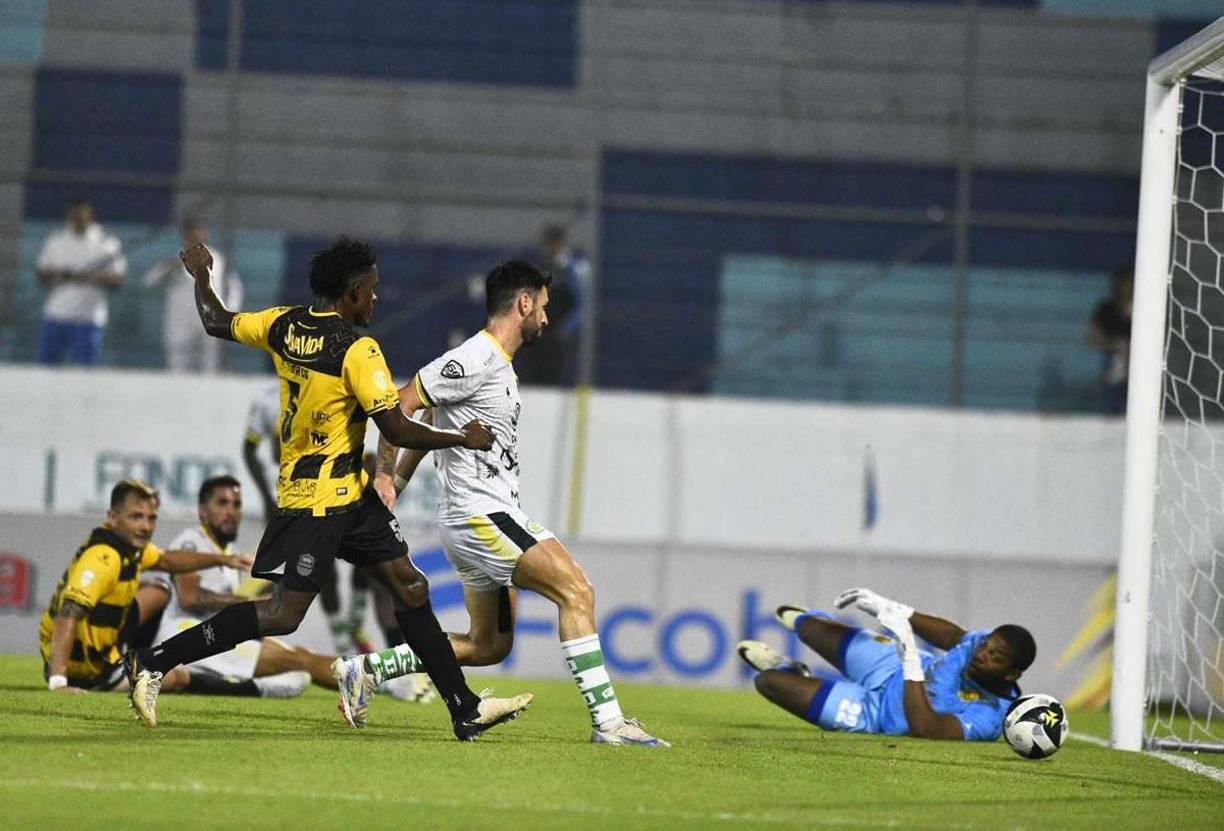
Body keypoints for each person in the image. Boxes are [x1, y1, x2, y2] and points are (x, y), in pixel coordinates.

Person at [123, 236, 531, 740]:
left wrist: (203, 277)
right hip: (317, 503)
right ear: (353, 292)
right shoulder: (358, 351)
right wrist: (461, 437)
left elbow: (215, 320)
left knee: (410, 586)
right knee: (282, 614)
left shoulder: (283, 324)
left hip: (350, 496)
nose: (375, 298)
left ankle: (464, 709)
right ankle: (153, 661)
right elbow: (397, 428)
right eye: (372, 290)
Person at [353, 260, 669, 747]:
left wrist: (399, 480)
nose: (546, 317)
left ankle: (367, 669)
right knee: (577, 591)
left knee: (488, 645)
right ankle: (609, 724)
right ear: (523, 303)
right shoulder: (476, 356)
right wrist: (383, 478)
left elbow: (429, 420)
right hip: (482, 516)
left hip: (474, 519)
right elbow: (401, 404)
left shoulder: (498, 365)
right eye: (542, 306)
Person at [138, 474, 376, 699]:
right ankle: (378, 680)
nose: (231, 512)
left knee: (298, 671)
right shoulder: (192, 542)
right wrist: (247, 604)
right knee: (299, 661)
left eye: (236, 504)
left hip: (217, 636)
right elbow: (190, 598)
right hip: (186, 634)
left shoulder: (230, 552)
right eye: (222, 503)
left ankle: (219, 683)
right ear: (203, 510)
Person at [39, 479, 255, 694]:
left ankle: (134, 655)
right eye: (136, 517)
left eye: (151, 518)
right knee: (175, 677)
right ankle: (247, 690)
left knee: (159, 590)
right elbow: (67, 612)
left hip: (101, 656)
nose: (145, 527)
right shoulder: (104, 557)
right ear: (113, 518)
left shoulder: (131, 549)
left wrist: (224, 560)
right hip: (85, 669)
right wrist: (59, 682)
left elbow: (167, 560)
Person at [736, 588, 1037, 741]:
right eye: (985, 646)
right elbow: (952, 636)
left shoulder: (990, 715)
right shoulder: (982, 642)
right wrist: (890, 608)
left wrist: (911, 663)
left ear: (1011, 673)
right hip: (890, 666)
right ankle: (815, 621)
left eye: (995, 657)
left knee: (769, 682)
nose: (981, 653)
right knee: (807, 627)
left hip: (876, 714)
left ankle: (792, 672)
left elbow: (926, 727)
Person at [35, 199, 126, 365]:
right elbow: (42, 274)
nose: (78, 219)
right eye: (74, 216)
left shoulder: (106, 242)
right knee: (46, 366)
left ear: (89, 216)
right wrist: (64, 274)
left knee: (84, 369)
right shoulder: (56, 240)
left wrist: (90, 278)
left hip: (88, 318)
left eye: (81, 215)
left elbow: (117, 279)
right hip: (56, 314)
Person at [145, 218, 239, 372]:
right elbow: (150, 280)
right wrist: (171, 266)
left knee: (212, 365)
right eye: (191, 236)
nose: (195, 239)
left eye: (198, 234)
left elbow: (233, 289)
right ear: (185, 237)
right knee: (178, 366)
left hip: (210, 319)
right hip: (181, 320)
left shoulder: (218, 261)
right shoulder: (175, 260)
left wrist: (228, 314)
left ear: (205, 234)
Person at [513, 225, 590, 387]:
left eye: (551, 243)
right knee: (530, 375)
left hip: (556, 334)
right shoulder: (540, 266)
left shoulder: (570, 270)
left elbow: (580, 305)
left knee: (552, 378)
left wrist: (566, 329)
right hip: (536, 333)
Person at [1087, 266, 1133, 415]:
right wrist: (1114, 344)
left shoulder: (1146, 309)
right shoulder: (1107, 309)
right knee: (1112, 409)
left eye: (1130, 283)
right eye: (1124, 283)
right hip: (1114, 366)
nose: (1127, 287)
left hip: (1140, 366)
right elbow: (1091, 339)